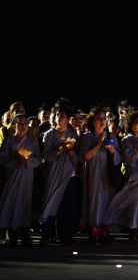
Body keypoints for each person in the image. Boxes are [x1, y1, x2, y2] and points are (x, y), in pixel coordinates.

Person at [103, 111, 138, 244]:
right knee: (134, 206)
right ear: (131, 125)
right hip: (136, 177)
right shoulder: (127, 140)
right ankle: (132, 234)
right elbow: (129, 159)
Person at [39, 104, 79, 246]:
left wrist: (70, 150)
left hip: (69, 174)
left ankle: (66, 234)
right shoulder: (49, 134)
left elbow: (76, 159)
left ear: (68, 119)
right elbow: (46, 156)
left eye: (62, 115)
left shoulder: (73, 134)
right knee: (50, 201)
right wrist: (62, 148)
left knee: (68, 205)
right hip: (53, 173)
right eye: (57, 115)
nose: (59, 117)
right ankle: (46, 234)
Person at [79, 108, 121, 244]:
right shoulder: (87, 137)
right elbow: (85, 157)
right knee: (95, 202)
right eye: (99, 118)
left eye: (104, 118)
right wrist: (98, 144)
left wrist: (113, 150)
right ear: (92, 122)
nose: (102, 120)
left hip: (107, 175)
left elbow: (118, 158)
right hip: (94, 175)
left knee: (107, 201)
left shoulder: (111, 136)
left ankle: (104, 233)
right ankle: (94, 234)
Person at [0, 115, 42, 247]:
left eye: (25, 123)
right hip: (12, 175)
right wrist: (16, 161)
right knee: (11, 203)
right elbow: (2, 159)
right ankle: (12, 236)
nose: (23, 126)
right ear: (14, 126)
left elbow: (39, 158)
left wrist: (29, 161)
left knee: (25, 203)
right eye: (20, 123)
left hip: (26, 175)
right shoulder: (8, 140)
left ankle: (24, 237)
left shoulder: (32, 141)